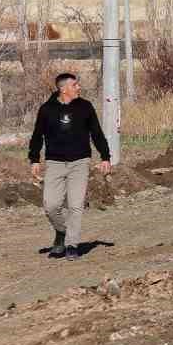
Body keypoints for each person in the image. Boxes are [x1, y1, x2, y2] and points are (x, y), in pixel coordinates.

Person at [28, 73, 111, 260]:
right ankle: (62, 231)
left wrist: (105, 156)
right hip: (55, 163)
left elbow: (97, 133)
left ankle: (72, 244)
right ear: (63, 89)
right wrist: (34, 159)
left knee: (75, 205)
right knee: (51, 205)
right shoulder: (46, 110)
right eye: (75, 85)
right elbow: (37, 136)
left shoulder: (85, 107)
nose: (78, 88)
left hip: (80, 163)